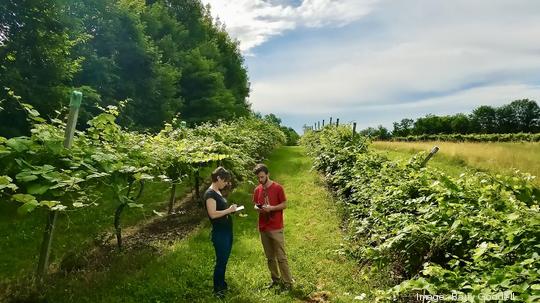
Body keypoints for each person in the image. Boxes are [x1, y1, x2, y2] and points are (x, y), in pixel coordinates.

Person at [252, 163, 293, 290]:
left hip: (275, 227)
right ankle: (275, 279)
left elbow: (284, 204)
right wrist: (259, 208)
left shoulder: (278, 188)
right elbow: (255, 204)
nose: (260, 180)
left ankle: (288, 283)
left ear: (268, 174)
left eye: (262, 177)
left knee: (281, 257)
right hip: (263, 227)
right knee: (270, 257)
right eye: (258, 178)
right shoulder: (257, 189)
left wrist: (272, 208)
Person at [204, 167, 237, 297]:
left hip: (227, 231)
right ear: (218, 178)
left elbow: (221, 210)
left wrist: (231, 210)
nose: (226, 183)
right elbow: (212, 214)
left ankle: (222, 284)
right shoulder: (210, 194)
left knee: (224, 260)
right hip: (220, 233)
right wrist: (228, 210)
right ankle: (217, 290)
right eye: (224, 181)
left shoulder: (218, 191)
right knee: (221, 261)